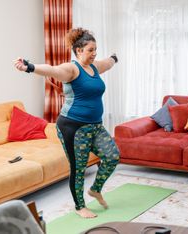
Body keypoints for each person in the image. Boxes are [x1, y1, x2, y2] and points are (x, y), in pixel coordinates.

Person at [13, 28, 120, 218]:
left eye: (96, 49)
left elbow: (108, 64)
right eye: (90, 50)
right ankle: (80, 207)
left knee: (112, 156)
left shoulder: (94, 67)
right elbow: (52, 70)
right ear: (79, 51)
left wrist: (114, 58)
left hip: (95, 126)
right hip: (73, 127)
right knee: (78, 168)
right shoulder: (72, 69)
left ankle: (95, 189)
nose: (95, 53)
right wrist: (30, 67)